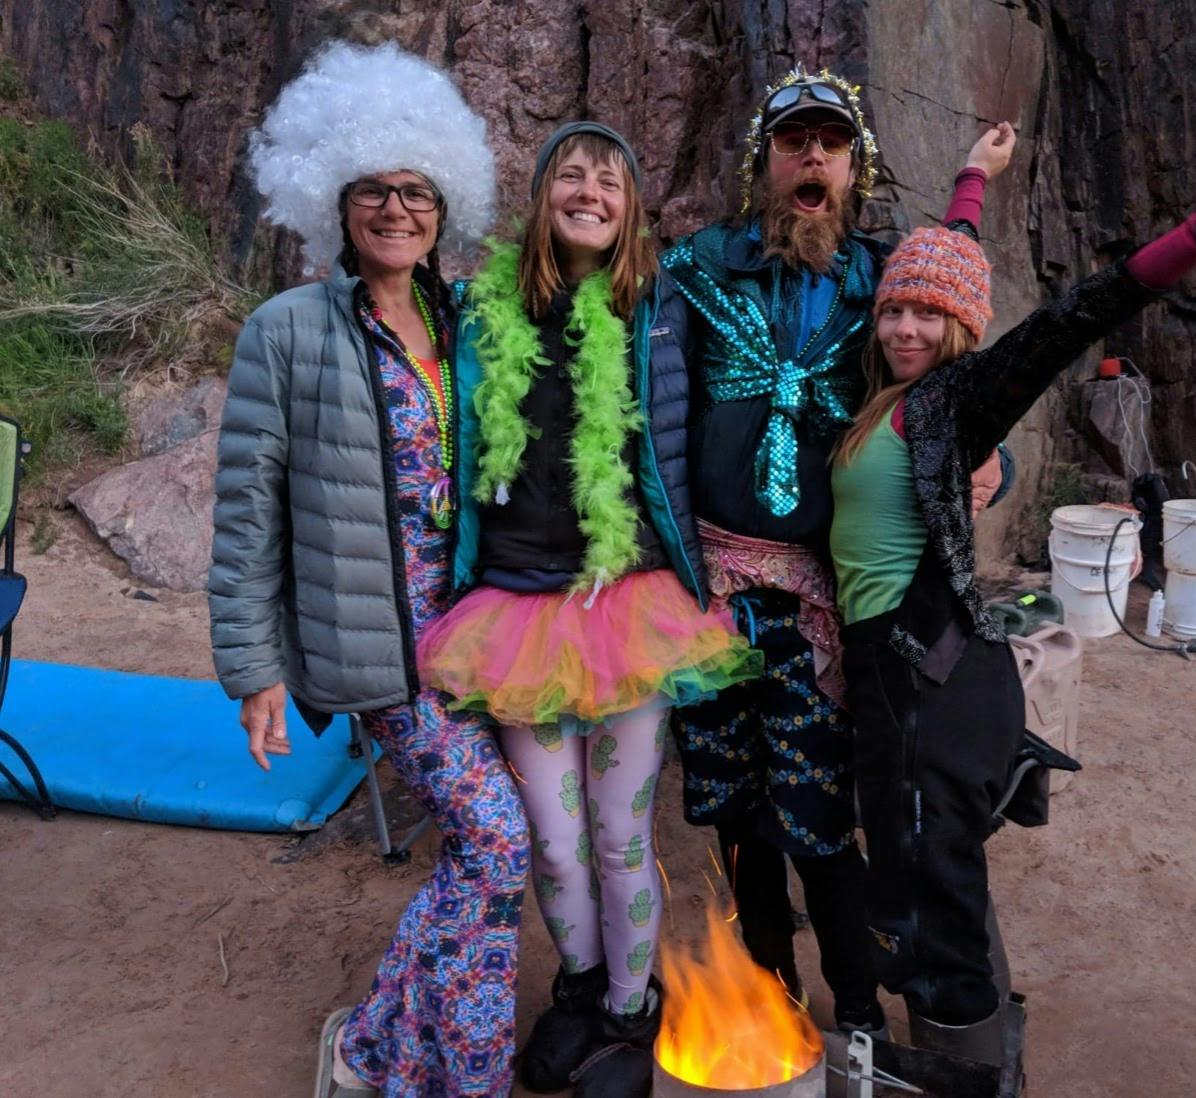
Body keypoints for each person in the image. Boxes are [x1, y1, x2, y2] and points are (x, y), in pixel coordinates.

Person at [831, 181, 1196, 1049]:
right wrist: (969, 186)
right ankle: (976, 1042)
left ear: (960, 329)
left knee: (928, 893)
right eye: (894, 312)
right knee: (928, 868)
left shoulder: (953, 400)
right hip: (901, 674)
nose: (905, 329)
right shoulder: (886, 400)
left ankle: (967, 1058)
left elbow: (1067, 321)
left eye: (927, 315)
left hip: (925, 675)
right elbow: (940, 259)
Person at [657, 68, 1010, 1034]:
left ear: (855, 168)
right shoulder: (694, 269)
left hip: (819, 602)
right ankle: (769, 1000)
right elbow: (639, 401)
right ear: (763, 163)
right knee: (734, 812)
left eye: (831, 143)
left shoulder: (882, 283)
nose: (812, 156)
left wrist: (996, 464)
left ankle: (855, 1011)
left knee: (815, 815)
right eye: (792, 142)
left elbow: (954, 372)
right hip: (707, 592)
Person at [207, 41, 528, 1098]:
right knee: (494, 842)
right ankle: (451, 1074)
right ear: (335, 203)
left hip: (482, 631)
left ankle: (379, 1042)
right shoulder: (286, 333)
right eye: (373, 191)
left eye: (416, 191)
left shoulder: (465, 317)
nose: (396, 209)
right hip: (378, 645)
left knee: (484, 854)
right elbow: (247, 517)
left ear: (445, 204)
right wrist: (252, 668)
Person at [416, 122, 761, 1098]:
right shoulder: (479, 312)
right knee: (554, 843)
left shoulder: (666, 302)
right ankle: (579, 990)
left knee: (619, 836)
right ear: (541, 201)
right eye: (568, 174)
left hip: (632, 609)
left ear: (632, 208)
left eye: (608, 180)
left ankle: (630, 1006)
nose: (588, 190)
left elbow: (736, 401)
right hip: (513, 615)